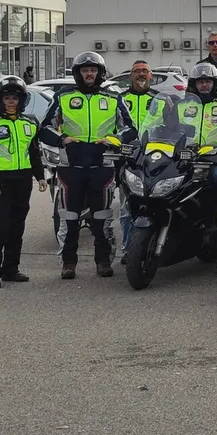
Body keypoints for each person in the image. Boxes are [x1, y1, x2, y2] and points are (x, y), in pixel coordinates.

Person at [39, 52, 136, 279]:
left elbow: (131, 129)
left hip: (102, 167)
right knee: (69, 218)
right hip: (70, 167)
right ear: (78, 74)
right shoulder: (63, 97)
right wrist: (62, 140)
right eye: (85, 70)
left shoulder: (113, 98)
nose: (89, 74)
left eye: (93, 70)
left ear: (100, 73)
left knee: (101, 218)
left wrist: (114, 140)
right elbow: (44, 128)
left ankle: (103, 262)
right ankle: (68, 263)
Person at [0, 76, 47, 288]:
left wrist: (41, 176)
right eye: (7, 98)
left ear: (21, 100)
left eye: (15, 98)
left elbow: (34, 153)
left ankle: (11, 269)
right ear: (0, 100)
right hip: (0, 183)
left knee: (17, 227)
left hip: (23, 182)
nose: (11, 102)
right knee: (0, 227)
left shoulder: (30, 122)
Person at [156, 63, 217, 215]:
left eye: (208, 81)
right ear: (193, 84)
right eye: (200, 82)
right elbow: (169, 131)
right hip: (184, 159)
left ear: (215, 83)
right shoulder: (181, 105)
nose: (204, 85)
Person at [116, 59, 159, 258]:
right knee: (127, 208)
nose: (141, 74)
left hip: (155, 160)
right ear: (130, 76)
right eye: (136, 71)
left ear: (150, 75)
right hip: (128, 160)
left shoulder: (161, 100)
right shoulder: (120, 99)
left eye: (145, 71)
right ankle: (128, 250)